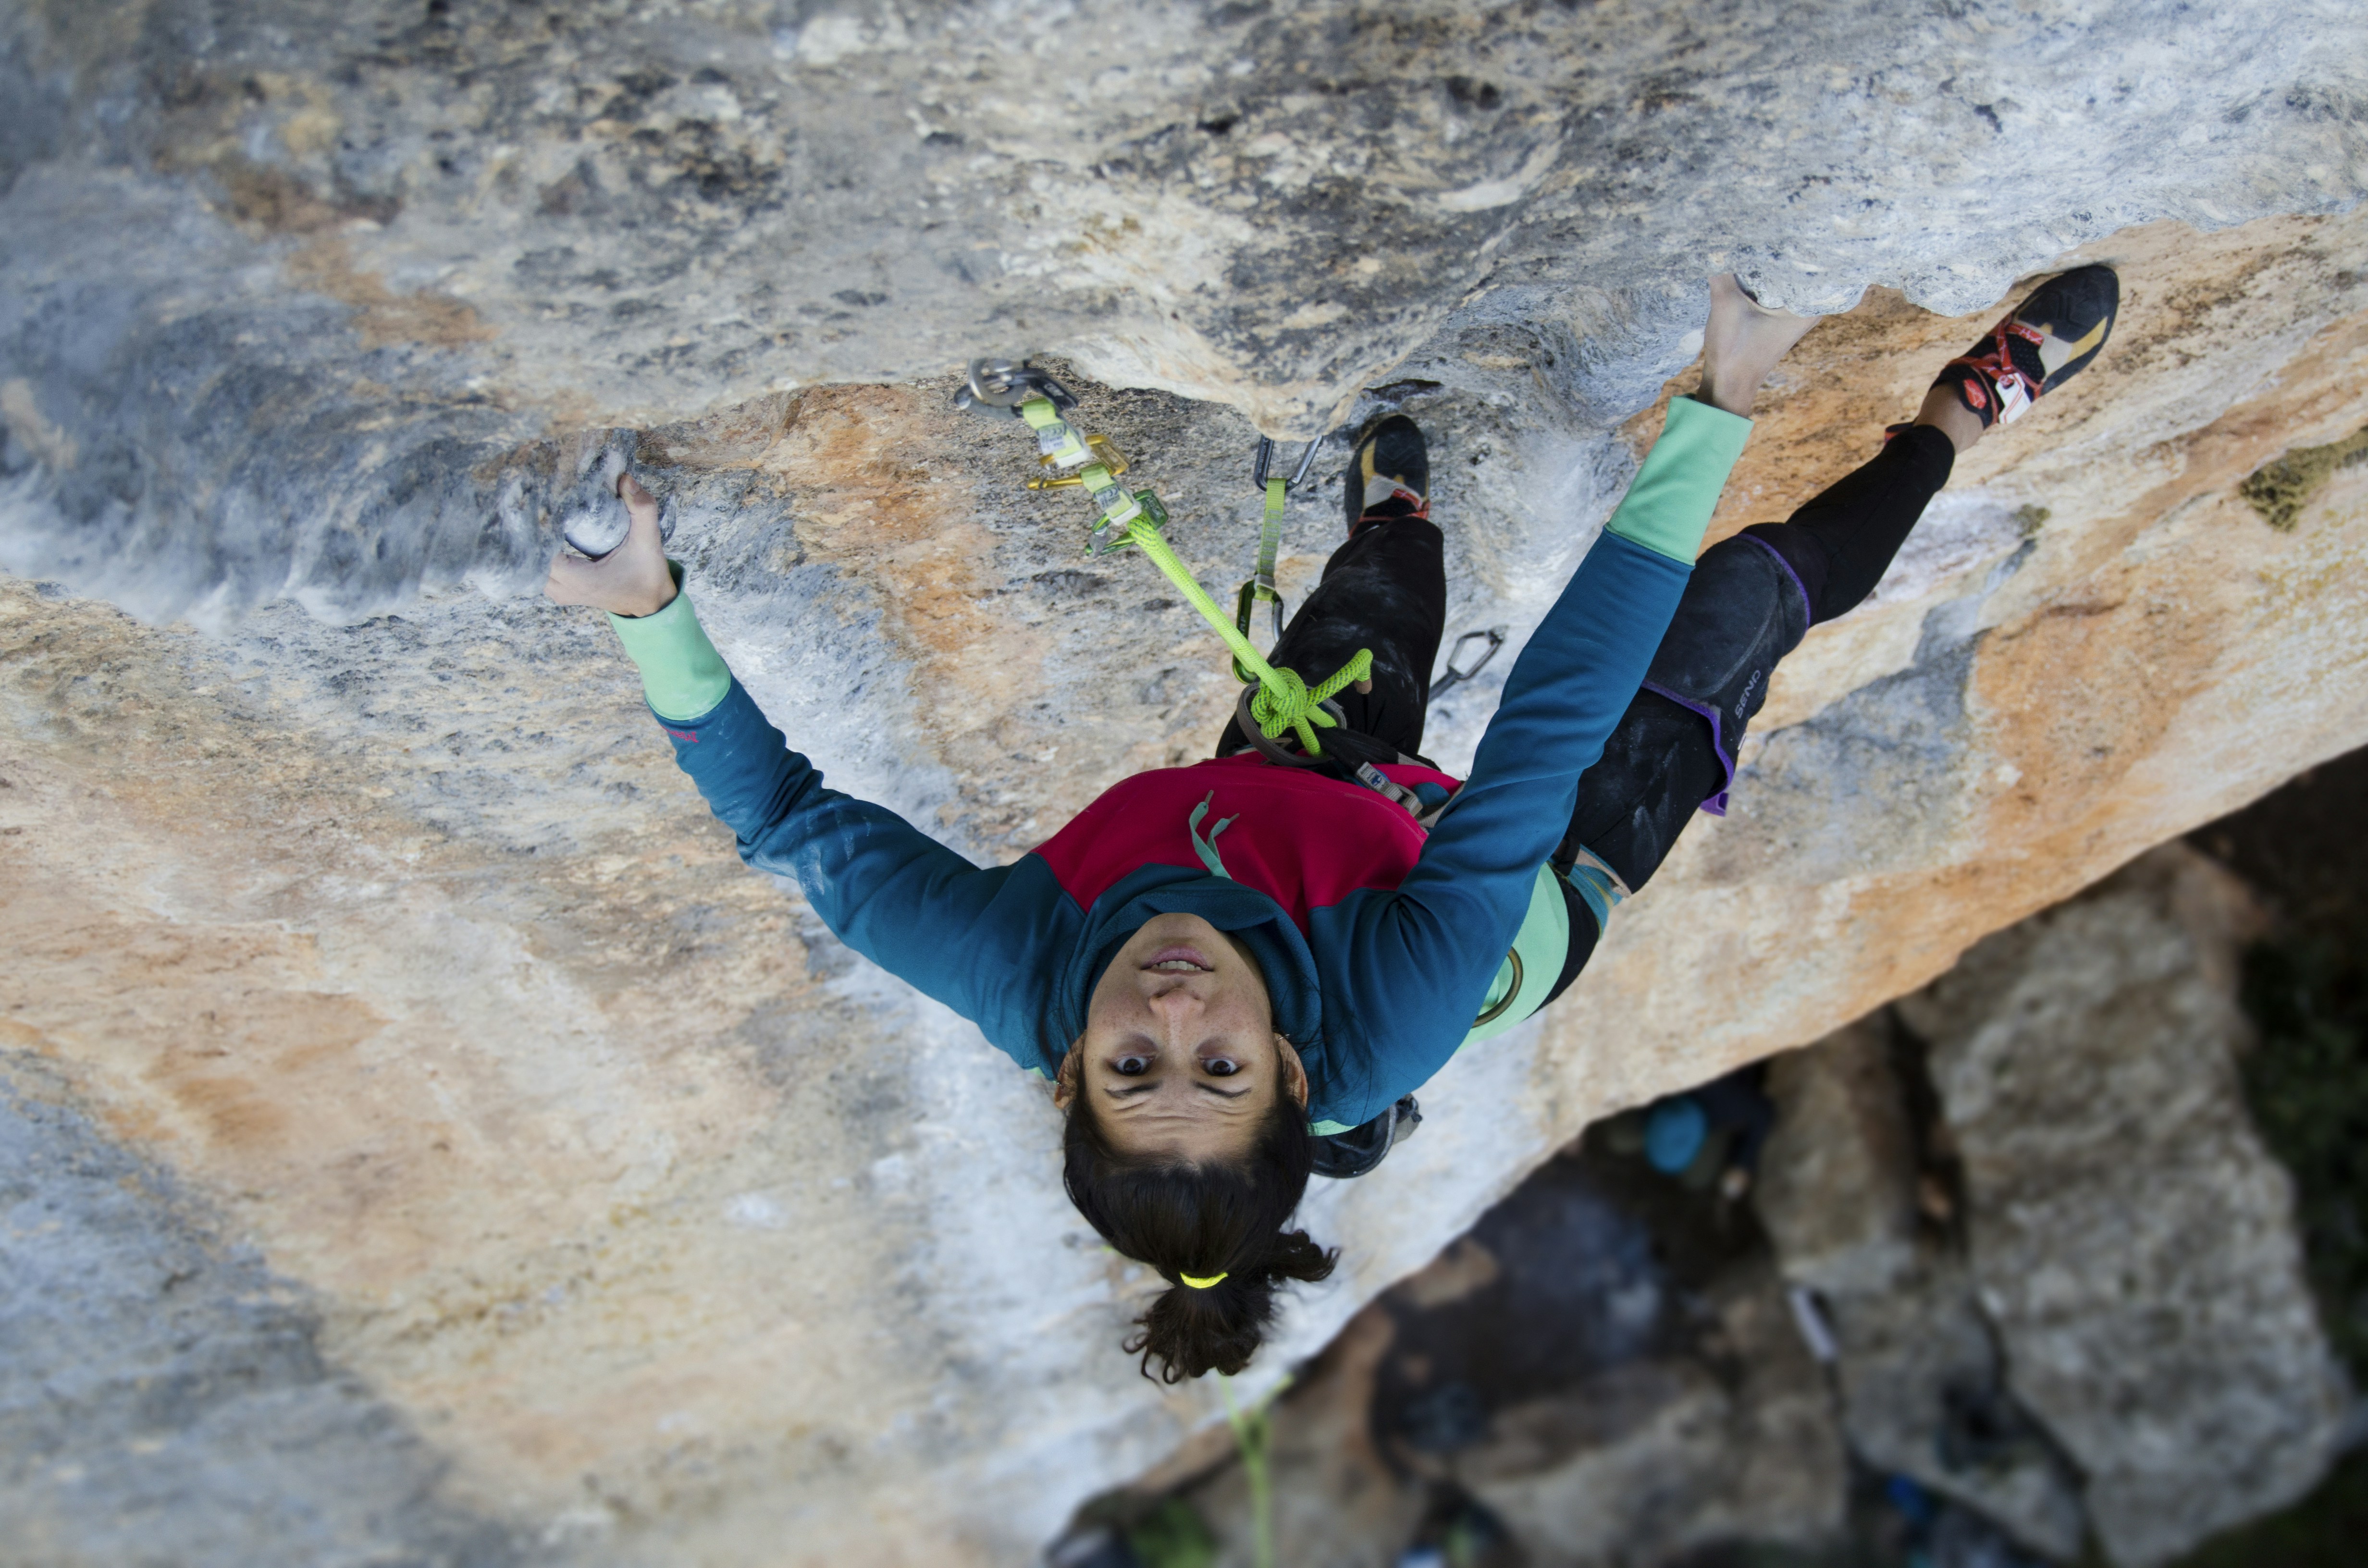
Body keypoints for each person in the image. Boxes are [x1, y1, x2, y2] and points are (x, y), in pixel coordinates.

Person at [544, 265, 2118, 1382]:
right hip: (1518, 886)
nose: (1166, 1015)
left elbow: (789, 822)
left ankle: (1396, 513)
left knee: (1384, 593)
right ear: (1294, 1068)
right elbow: (1550, 727)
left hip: (1293, 821)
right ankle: (1961, 418)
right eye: (1217, 1067)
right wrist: (1712, 411)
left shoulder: (1010, 963)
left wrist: (647, 607)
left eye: (1133, 1066)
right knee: (1740, 597)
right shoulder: (1405, 1007)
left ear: (1061, 1065)